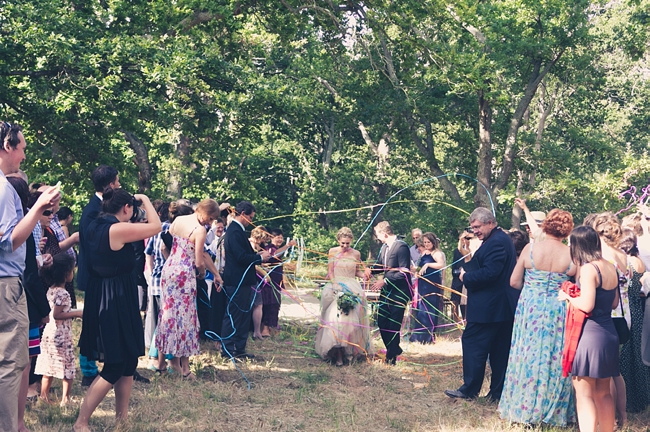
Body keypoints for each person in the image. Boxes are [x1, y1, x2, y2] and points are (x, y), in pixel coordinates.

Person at [74, 188, 161, 431]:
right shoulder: (117, 229)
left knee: (128, 361)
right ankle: (81, 422)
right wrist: (144, 200)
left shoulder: (94, 225)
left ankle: (121, 420)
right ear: (126, 208)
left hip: (108, 293)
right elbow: (156, 227)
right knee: (114, 364)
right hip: (114, 298)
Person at [0, 121, 60, 431]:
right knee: (12, 363)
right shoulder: (3, 190)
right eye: (22, 148)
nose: (23, 156)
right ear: (7, 146)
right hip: (5, 287)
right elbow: (9, 240)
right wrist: (37, 208)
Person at [498, 209, 576, 426]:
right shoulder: (571, 254)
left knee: (527, 354)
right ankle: (552, 411)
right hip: (557, 309)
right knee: (554, 356)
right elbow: (575, 286)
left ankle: (523, 407)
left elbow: (514, 282)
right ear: (567, 230)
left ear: (546, 226)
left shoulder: (530, 249)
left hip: (531, 308)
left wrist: (533, 287)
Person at [445, 207, 517, 401]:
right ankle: (496, 393)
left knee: (475, 345)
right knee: (498, 350)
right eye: (473, 227)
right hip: (497, 308)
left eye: (477, 227)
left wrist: (465, 276)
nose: (474, 231)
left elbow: (490, 273)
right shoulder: (495, 240)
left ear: (490, 223)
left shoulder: (497, 242)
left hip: (491, 307)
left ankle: (470, 390)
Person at [558, 226, 619, 432]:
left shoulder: (588, 269)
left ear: (578, 245)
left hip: (590, 336)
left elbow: (587, 305)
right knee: (604, 393)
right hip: (609, 333)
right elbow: (614, 303)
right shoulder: (610, 267)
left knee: (584, 394)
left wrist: (568, 296)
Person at [155, 199, 222, 378]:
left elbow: (166, 243)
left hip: (169, 269)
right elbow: (200, 261)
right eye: (210, 218)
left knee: (167, 316)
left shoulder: (178, 220)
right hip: (184, 273)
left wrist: (215, 274)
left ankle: (160, 363)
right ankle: (185, 369)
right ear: (202, 212)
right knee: (186, 317)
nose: (210, 222)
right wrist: (201, 273)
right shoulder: (199, 230)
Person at [76, 165, 120, 387]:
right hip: (95, 274)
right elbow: (93, 245)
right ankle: (88, 370)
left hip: (101, 275)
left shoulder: (99, 206)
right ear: (110, 184)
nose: (120, 185)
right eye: (117, 181)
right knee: (92, 321)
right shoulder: (93, 209)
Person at [315, 227, 374, 366]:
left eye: (347, 243)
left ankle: (350, 351)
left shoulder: (356, 254)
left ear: (351, 241)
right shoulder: (332, 252)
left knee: (351, 321)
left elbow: (357, 272)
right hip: (336, 286)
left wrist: (365, 274)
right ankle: (338, 354)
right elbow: (330, 272)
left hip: (352, 287)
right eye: (342, 243)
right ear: (338, 240)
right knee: (337, 320)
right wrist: (336, 285)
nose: (345, 246)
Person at [592, 212, 630, 426]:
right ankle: (622, 416)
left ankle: (611, 419)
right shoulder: (621, 254)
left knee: (607, 372)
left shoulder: (603, 255)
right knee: (615, 371)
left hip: (609, 316)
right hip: (623, 316)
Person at [220, 201, 270, 360]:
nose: (251, 221)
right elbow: (240, 257)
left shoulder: (238, 231)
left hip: (244, 281)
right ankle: (227, 350)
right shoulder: (234, 231)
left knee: (243, 315)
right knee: (233, 315)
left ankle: (239, 348)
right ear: (242, 214)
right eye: (250, 217)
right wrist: (259, 257)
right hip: (236, 281)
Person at [34, 253, 81, 406]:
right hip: (61, 335)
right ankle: (65, 399)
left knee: (49, 367)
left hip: (48, 333)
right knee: (68, 367)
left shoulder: (50, 289)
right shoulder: (63, 293)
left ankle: (44, 395)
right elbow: (58, 314)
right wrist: (78, 313)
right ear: (66, 273)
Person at [365, 221, 411, 364]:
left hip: (400, 292)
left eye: (378, 235)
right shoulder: (385, 247)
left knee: (393, 324)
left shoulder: (401, 247)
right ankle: (394, 348)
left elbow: (404, 272)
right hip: (387, 292)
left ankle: (391, 359)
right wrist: (370, 269)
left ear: (384, 234)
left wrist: (385, 281)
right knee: (382, 321)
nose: (377, 239)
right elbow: (381, 265)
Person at [618, 228, 650, 413]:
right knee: (639, 356)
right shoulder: (640, 262)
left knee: (628, 357)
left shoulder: (628, 262)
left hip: (628, 311)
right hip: (639, 310)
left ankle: (631, 399)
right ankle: (642, 395)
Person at [410, 232, 446, 344]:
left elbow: (441, 265)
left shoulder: (437, 253)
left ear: (433, 242)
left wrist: (428, 265)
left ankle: (428, 337)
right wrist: (415, 269)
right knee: (421, 308)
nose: (426, 244)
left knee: (429, 309)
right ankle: (419, 336)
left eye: (428, 242)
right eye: (425, 242)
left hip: (432, 284)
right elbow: (421, 267)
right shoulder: (424, 252)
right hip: (422, 283)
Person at [261, 228, 297, 337]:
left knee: (275, 304)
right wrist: (288, 245)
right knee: (269, 304)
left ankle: (272, 327)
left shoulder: (276, 248)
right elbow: (275, 255)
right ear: (271, 237)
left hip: (276, 282)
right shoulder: (270, 248)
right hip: (269, 283)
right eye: (278, 237)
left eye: (281, 237)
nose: (280, 239)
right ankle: (265, 328)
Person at [249, 226, 272, 340]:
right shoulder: (251, 245)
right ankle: (256, 331)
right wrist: (265, 274)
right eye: (265, 238)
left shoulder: (256, 246)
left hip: (253, 279)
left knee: (257, 304)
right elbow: (253, 264)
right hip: (250, 279)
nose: (265, 241)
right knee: (257, 304)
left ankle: (256, 331)